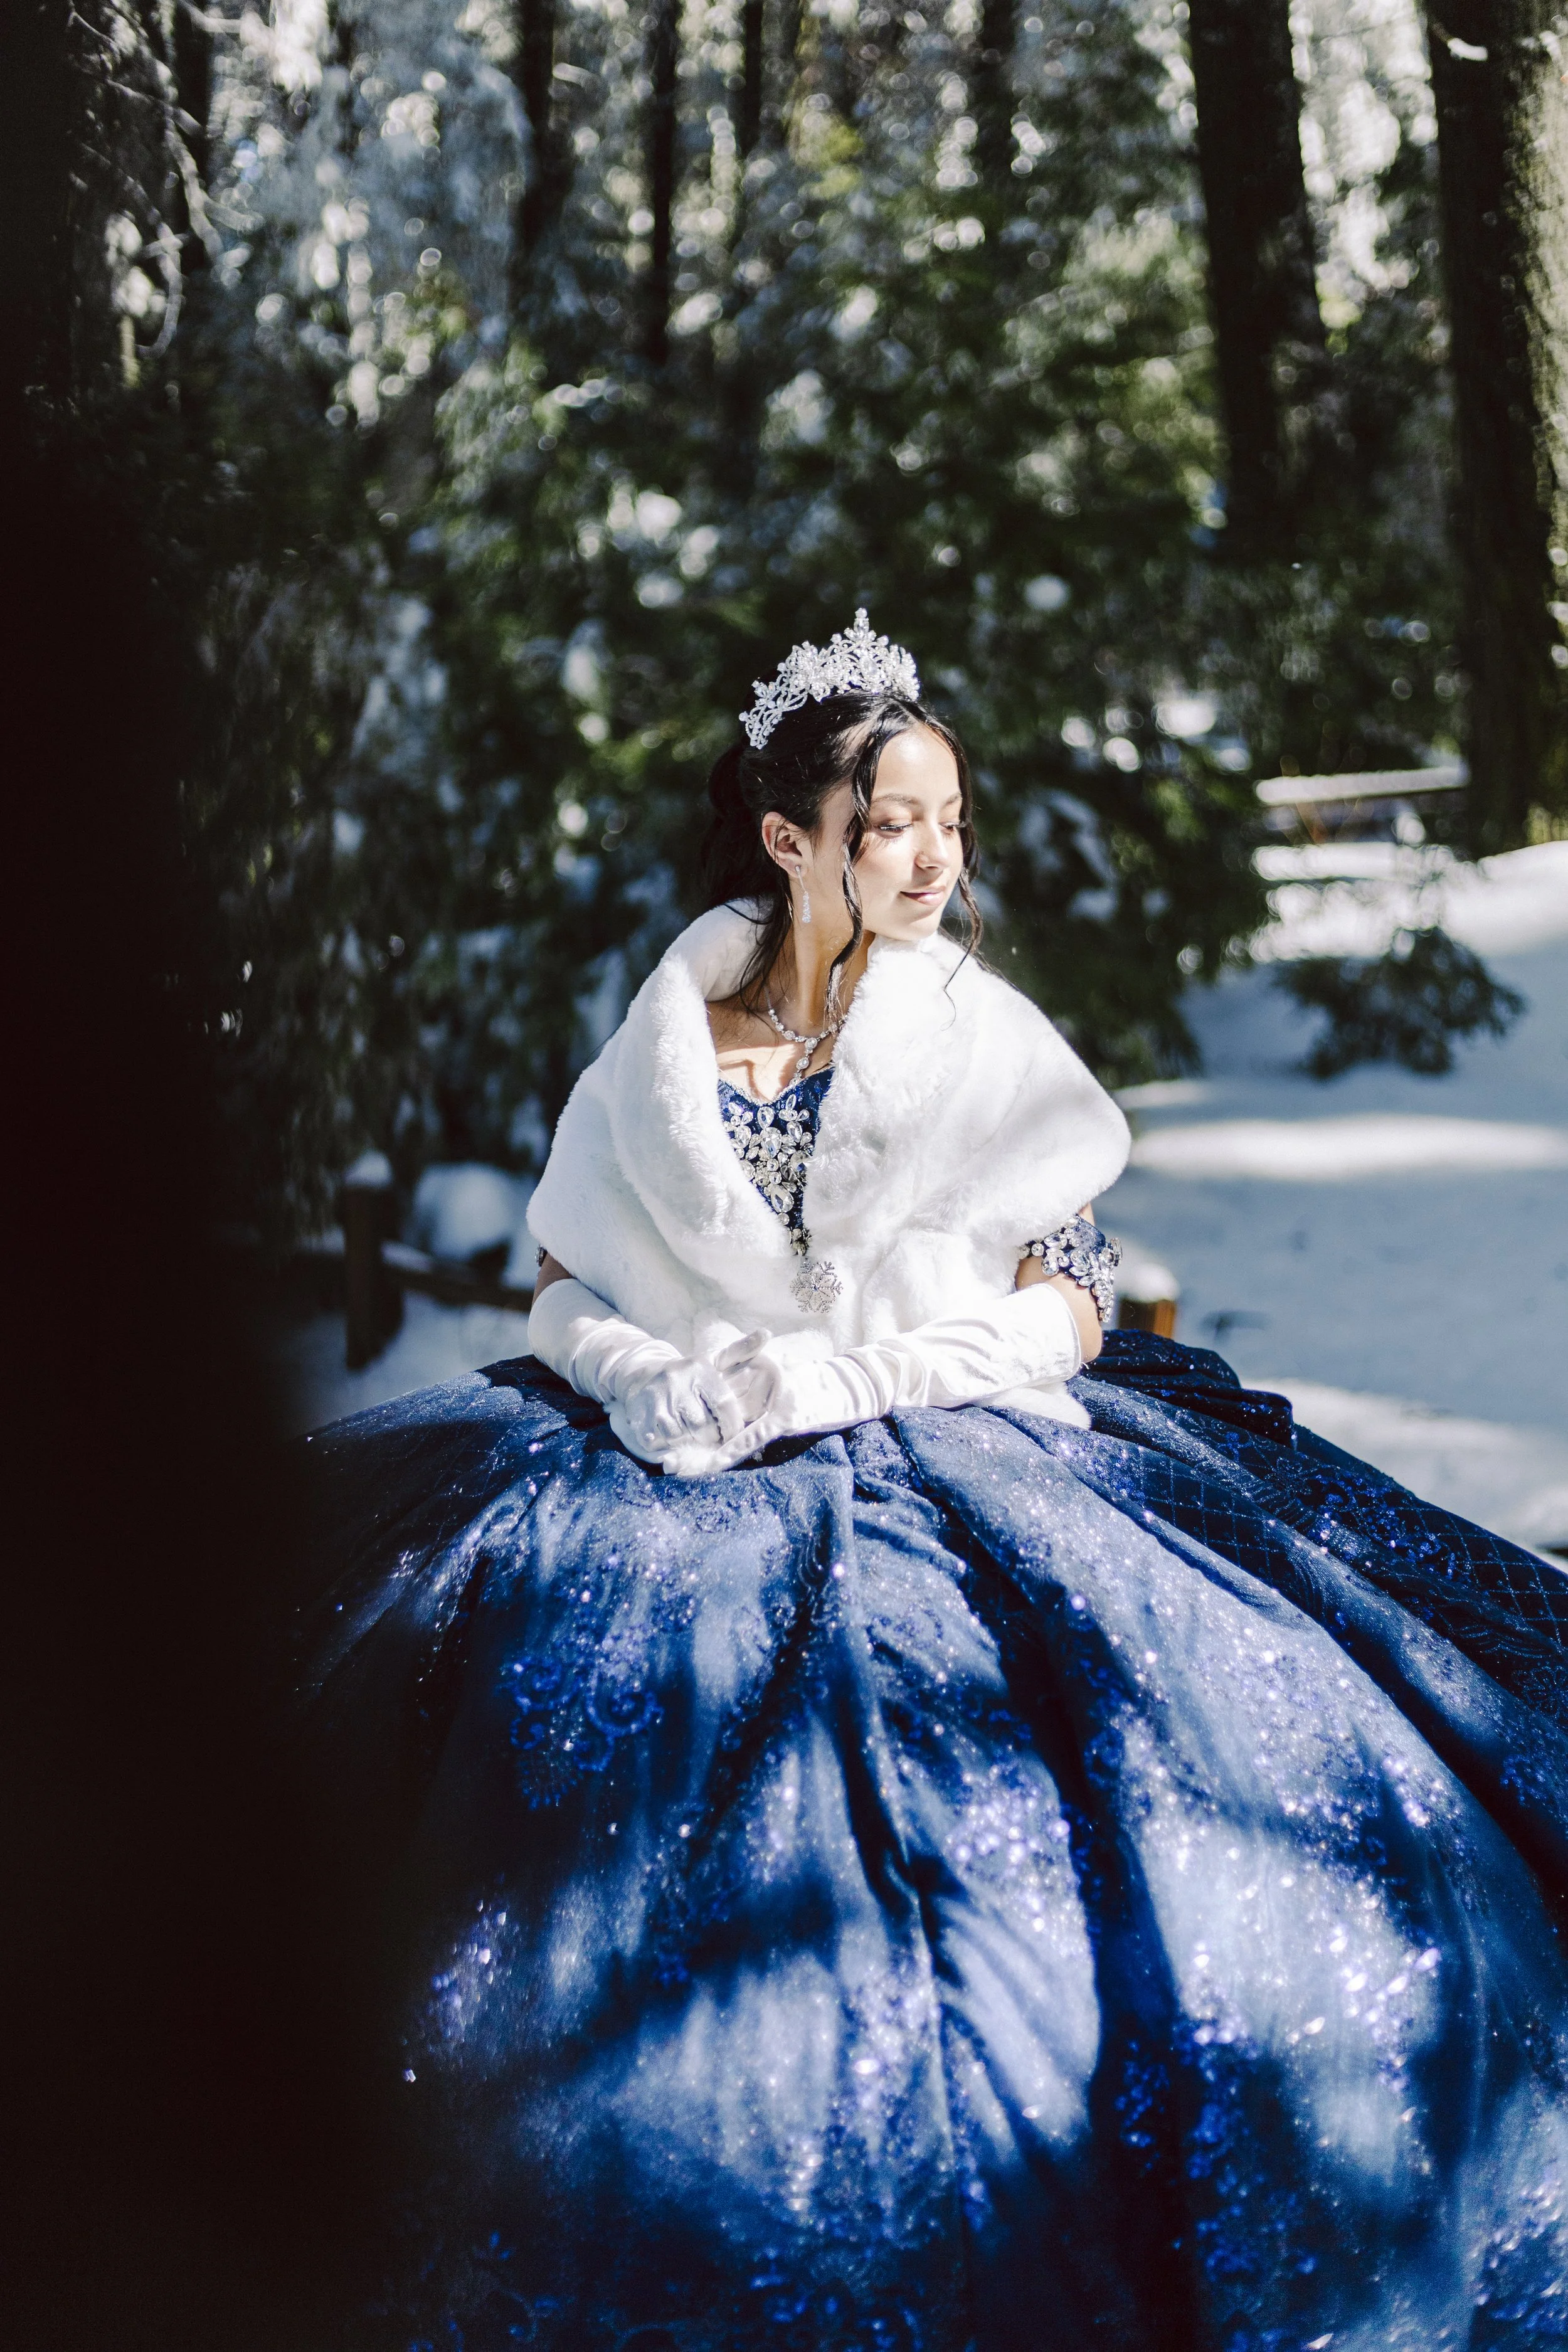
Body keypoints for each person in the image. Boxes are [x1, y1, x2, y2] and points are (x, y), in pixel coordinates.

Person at [299, 615, 1568, 2352]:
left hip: (963, 1431)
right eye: (890, 822)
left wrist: (862, 1376)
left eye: (948, 821)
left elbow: (1073, 1293)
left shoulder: (981, 1032)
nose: (931, 858)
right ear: (788, 838)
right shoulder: (664, 1045)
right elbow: (563, 1280)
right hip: (678, 1450)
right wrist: (648, 1375)